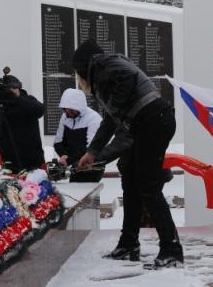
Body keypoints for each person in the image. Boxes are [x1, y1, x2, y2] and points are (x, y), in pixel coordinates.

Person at [71, 39, 183, 267]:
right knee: (130, 181)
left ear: (83, 66)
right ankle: (128, 243)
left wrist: (119, 108)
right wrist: (93, 152)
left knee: (148, 186)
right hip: (150, 122)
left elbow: (128, 81)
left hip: (153, 121)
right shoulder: (106, 70)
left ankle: (171, 249)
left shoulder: (103, 65)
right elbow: (111, 120)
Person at [0, 70, 45, 173]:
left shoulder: (27, 99)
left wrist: (16, 99)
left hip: (31, 161)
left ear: (19, 88)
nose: (12, 91)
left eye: (14, 88)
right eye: (9, 89)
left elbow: (39, 110)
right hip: (7, 161)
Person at [53, 87, 103, 172]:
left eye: (72, 110)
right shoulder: (65, 116)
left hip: (90, 165)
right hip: (72, 164)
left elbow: (91, 148)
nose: (69, 113)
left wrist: (68, 160)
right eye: (66, 110)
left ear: (80, 107)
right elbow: (58, 142)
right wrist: (63, 155)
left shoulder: (94, 118)